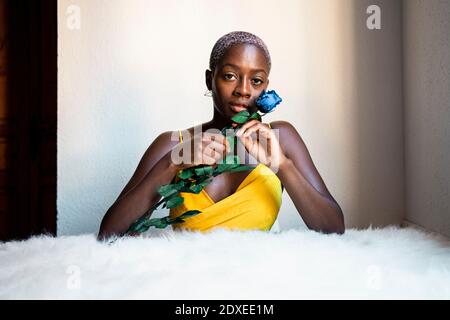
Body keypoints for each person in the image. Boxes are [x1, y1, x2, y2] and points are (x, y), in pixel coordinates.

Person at [98, 31, 344, 240]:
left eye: (256, 80)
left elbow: (334, 229)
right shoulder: (172, 144)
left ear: (265, 88)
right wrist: (171, 164)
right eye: (230, 76)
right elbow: (109, 235)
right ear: (209, 79)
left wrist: (283, 166)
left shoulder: (281, 138)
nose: (243, 90)